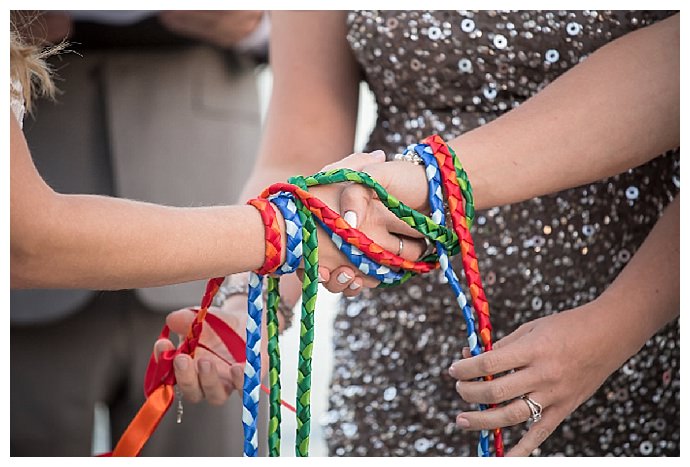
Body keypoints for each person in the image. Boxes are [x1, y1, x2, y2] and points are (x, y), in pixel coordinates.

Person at [169, 11, 679, 457]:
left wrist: (614, 329)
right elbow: (299, 151)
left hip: (633, 321)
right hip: (399, 343)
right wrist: (247, 299)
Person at [9, 11, 407, 456]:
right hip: (43, 168)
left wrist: (248, 299)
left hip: (211, 176)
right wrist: (287, 230)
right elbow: (26, 240)